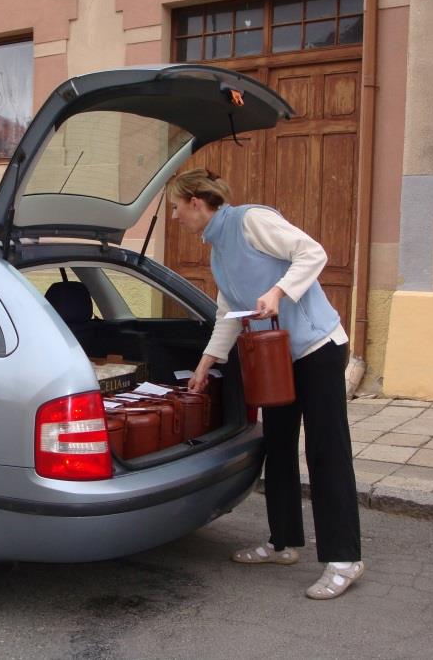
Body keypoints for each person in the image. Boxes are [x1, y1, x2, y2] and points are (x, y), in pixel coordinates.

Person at [167, 167, 364, 600]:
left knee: (326, 450)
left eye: (177, 208)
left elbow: (312, 253)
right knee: (276, 444)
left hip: (317, 348)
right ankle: (283, 542)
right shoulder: (218, 249)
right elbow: (228, 315)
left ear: (197, 203)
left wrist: (278, 292)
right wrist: (205, 365)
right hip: (278, 359)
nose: (175, 217)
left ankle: (345, 557)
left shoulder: (251, 221)